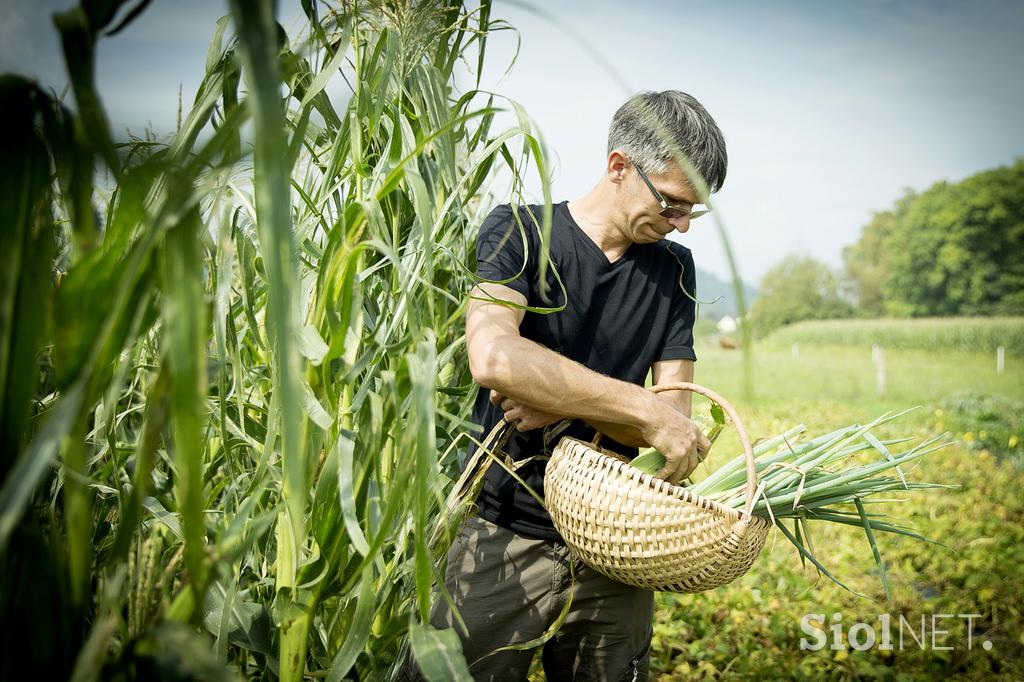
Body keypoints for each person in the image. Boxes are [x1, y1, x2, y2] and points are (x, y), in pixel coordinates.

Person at [416, 90, 726, 681]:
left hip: (619, 546)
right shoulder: (520, 232)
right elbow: (494, 356)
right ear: (619, 167)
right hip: (505, 532)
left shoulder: (674, 270)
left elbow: (676, 426)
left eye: (694, 212)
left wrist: (557, 402)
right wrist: (635, 406)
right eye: (673, 204)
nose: (682, 224)